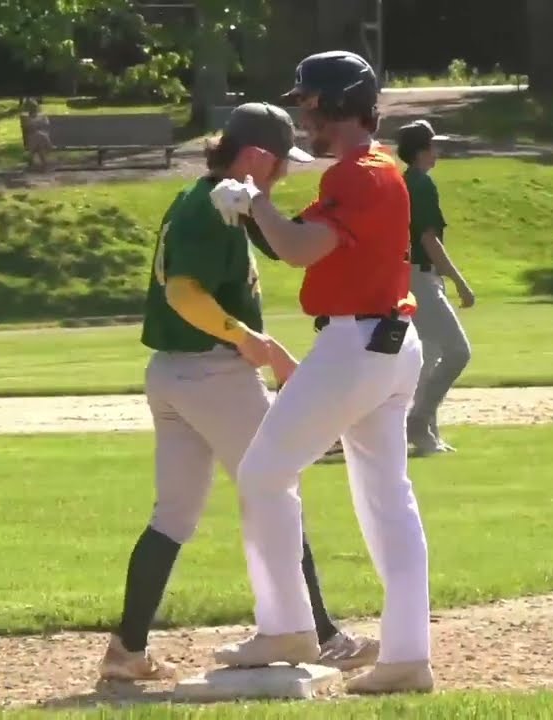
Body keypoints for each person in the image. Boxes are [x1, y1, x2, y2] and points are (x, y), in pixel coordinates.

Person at [99, 102, 380, 681]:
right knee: (275, 487)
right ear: (255, 157)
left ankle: (127, 652)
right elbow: (183, 293)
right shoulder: (212, 208)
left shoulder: (213, 199)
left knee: (173, 515)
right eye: (278, 165)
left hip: (173, 374)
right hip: (214, 375)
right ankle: (323, 635)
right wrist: (257, 343)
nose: (281, 175)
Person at [207, 50, 435, 694]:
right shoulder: (371, 171)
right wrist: (260, 206)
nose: (302, 115)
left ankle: (286, 626)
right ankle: (407, 657)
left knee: (263, 474)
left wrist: (256, 199)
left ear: (337, 104)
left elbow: (301, 248)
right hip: (390, 345)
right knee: (389, 501)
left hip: (355, 346)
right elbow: (287, 242)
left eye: (309, 103)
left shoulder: (358, 176)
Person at [396, 119, 475, 456]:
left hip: (409, 276)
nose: (437, 151)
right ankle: (419, 420)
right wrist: (460, 282)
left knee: (428, 357)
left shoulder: (406, 182)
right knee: (458, 352)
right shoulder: (421, 185)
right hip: (420, 277)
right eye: (433, 145)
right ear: (421, 151)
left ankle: (427, 434)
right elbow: (428, 239)